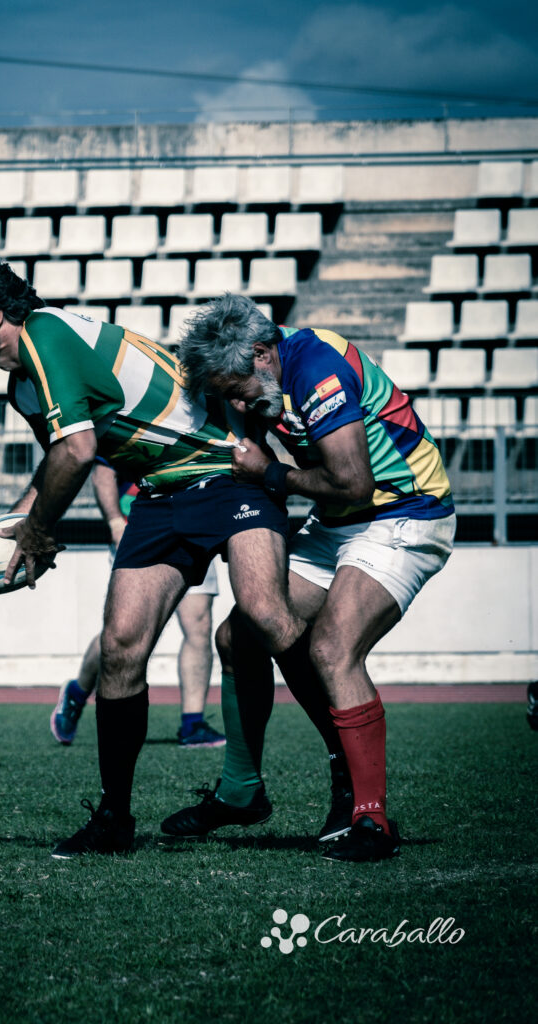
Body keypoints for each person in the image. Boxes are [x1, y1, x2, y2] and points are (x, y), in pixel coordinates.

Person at [0, 253, 306, 858]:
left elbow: (78, 451)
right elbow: (59, 464)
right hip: (163, 488)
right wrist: (22, 529)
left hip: (227, 469)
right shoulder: (23, 382)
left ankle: (352, 786)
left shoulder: (46, 336)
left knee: (268, 618)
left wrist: (38, 532)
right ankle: (115, 819)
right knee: (120, 646)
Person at [163, 294, 456, 862]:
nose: (234, 401)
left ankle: (370, 819)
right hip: (340, 523)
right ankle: (241, 790)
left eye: (235, 387)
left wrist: (270, 472)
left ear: (260, 353)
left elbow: (353, 484)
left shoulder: (316, 367)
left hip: (405, 512)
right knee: (238, 636)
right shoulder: (262, 371)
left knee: (331, 649)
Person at [51, 459, 225, 749]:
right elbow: (103, 471)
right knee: (126, 629)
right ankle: (78, 691)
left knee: (199, 623)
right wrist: (115, 522)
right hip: (141, 528)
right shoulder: (132, 413)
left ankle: (192, 724)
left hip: (195, 525)